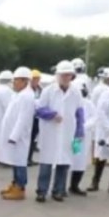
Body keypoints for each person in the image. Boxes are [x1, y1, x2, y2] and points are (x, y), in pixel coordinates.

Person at [33, 61, 83, 203]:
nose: (66, 77)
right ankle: (42, 191)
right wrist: (52, 114)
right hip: (50, 132)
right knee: (46, 164)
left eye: (68, 75)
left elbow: (80, 113)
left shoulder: (76, 92)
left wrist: (79, 132)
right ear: (58, 75)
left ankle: (58, 191)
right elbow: (39, 110)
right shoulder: (49, 91)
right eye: (63, 75)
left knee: (64, 163)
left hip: (68, 132)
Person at [0, 67, 37, 200]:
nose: (14, 83)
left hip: (19, 137)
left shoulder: (27, 96)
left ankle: (20, 188)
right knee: (14, 161)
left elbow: (23, 118)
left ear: (25, 81)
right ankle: (15, 184)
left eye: (17, 80)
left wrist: (14, 136)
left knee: (20, 162)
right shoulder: (19, 94)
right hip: (13, 134)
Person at [67, 76, 96, 196]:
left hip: (82, 138)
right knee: (69, 161)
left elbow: (94, 117)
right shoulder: (69, 102)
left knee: (80, 161)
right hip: (72, 137)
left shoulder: (88, 103)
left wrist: (83, 127)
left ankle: (75, 185)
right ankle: (61, 187)